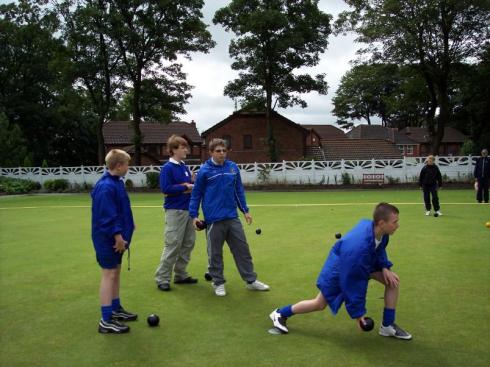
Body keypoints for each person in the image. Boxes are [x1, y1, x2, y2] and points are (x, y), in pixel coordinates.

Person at [270, 203, 412, 340]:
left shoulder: (380, 232)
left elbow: (379, 250)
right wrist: (359, 316)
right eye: (395, 222)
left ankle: (387, 325)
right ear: (381, 223)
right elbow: (354, 283)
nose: (397, 225)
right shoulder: (359, 249)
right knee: (319, 304)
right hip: (340, 269)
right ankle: (280, 313)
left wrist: (384, 267)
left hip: (361, 263)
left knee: (393, 282)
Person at [189, 138, 269, 296]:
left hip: (232, 217)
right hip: (213, 220)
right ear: (211, 152)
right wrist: (194, 215)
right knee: (215, 253)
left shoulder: (232, 168)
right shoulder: (204, 171)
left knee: (242, 250)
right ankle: (218, 282)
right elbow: (196, 194)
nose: (222, 153)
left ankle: (251, 281)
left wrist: (245, 210)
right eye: (218, 151)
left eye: (224, 150)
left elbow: (238, 190)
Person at [91, 149, 137, 334]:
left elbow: (120, 208)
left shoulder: (116, 183)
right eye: (127, 164)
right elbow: (106, 217)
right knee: (109, 274)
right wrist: (118, 236)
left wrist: (130, 224)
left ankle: (115, 309)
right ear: (119, 166)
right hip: (108, 239)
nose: (128, 167)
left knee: (115, 272)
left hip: (119, 237)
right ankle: (106, 319)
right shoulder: (105, 187)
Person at [154, 135, 198, 291]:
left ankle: (180, 274)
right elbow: (166, 189)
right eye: (182, 147)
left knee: (188, 243)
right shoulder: (168, 168)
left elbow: (188, 187)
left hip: (188, 211)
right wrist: (185, 186)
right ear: (173, 150)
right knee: (173, 244)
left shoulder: (183, 166)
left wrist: (191, 182)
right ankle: (162, 278)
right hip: (175, 211)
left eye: (186, 146)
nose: (186, 149)